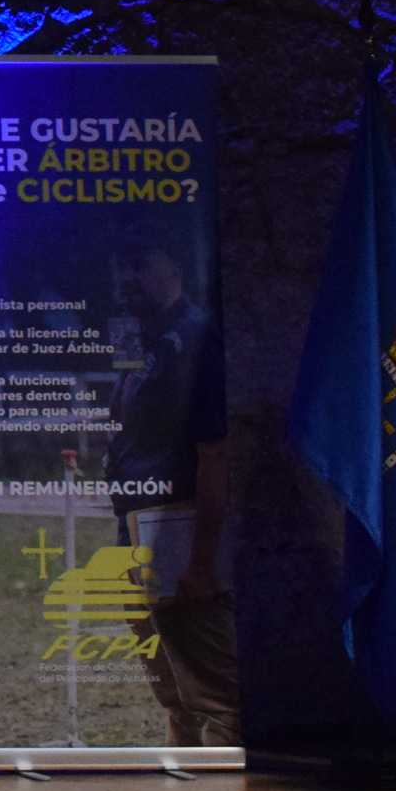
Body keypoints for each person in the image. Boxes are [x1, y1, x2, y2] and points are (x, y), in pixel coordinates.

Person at [109, 242, 239, 747]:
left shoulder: (197, 339)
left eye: (139, 262)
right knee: (166, 681)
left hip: (177, 532)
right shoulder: (147, 340)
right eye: (124, 265)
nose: (127, 277)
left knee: (213, 687)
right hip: (134, 525)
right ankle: (182, 776)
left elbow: (215, 453)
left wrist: (202, 559)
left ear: (176, 265)